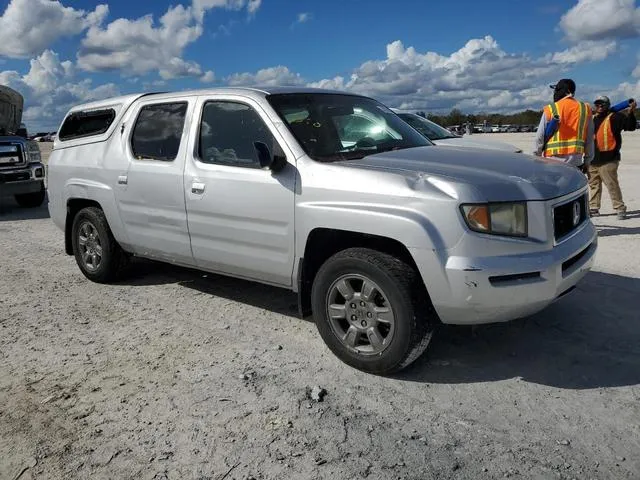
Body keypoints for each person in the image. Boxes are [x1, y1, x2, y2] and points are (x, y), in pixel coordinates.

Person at [588, 95, 637, 220]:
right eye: (597, 104)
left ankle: (620, 208)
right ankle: (594, 208)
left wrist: (631, 112)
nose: (599, 106)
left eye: (602, 104)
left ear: (607, 105)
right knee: (594, 185)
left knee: (611, 184)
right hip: (593, 159)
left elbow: (630, 127)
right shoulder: (592, 119)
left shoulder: (615, 117)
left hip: (609, 159)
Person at [533, 79, 594, 172]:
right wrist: (587, 161)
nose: (555, 93)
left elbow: (539, 137)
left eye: (557, 90)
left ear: (565, 91)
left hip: (552, 163)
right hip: (575, 163)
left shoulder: (551, 108)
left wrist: (535, 159)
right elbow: (589, 139)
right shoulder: (585, 109)